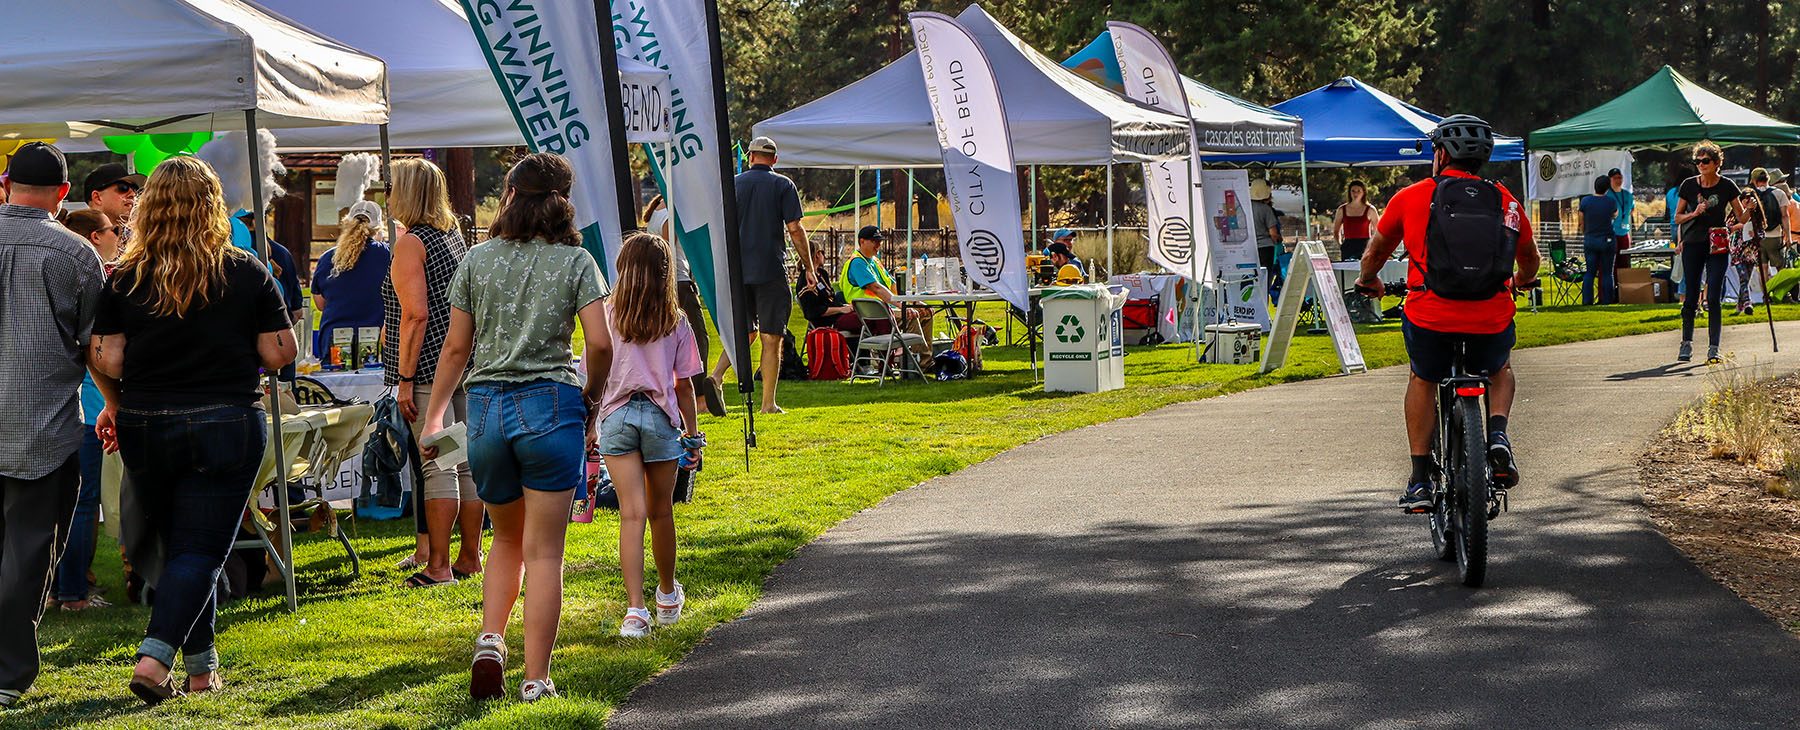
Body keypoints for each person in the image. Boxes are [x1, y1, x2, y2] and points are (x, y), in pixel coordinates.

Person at [89, 155, 297, 704]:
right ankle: (156, 659)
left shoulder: (127, 276)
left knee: (183, 547)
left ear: (149, 207)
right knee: (199, 551)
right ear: (214, 206)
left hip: (147, 423)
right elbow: (281, 352)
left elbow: (107, 358)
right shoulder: (246, 268)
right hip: (227, 419)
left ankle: (202, 669)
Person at [419, 152, 613, 703]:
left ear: (509, 196)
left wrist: (436, 415)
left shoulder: (476, 260)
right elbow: (600, 343)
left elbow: (456, 348)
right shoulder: (576, 262)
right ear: (563, 202)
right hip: (551, 406)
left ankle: (489, 639)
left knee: (503, 539)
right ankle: (535, 679)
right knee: (545, 551)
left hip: (483, 411)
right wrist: (592, 397)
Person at [1354, 115, 1539, 510]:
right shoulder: (1506, 200)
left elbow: (1375, 253)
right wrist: (1522, 281)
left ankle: (1420, 480)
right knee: (1500, 368)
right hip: (1490, 317)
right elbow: (1530, 259)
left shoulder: (1410, 197)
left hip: (1431, 316)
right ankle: (1498, 436)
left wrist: (1369, 280)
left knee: (1422, 377)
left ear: (1440, 154)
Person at [0, 142, 109, 710]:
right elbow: (97, 346)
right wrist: (113, 401)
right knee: (30, 548)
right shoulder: (77, 252)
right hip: (45, 424)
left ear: (5, 184)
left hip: (36, 420)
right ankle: (9, 671)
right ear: (64, 193)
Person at [593, 231, 704, 640]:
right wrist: (692, 435)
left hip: (617, 417)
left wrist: (591, 425)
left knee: (631, 515)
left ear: (623, 269)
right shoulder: (675, 320)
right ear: (664, 272)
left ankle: (635, 610)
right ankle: (667, 596)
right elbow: (685, 385)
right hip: (660, 419)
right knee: (661, 512)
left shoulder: (606, 314)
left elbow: (595, 375)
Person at [383, 158, 482, 587]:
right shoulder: (451, 237)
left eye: (391, 187)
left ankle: (439, 567)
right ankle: (469, 558)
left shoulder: (412, 243)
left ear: (407, 192)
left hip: (426, 370)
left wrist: (405, 379)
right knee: (463, 465)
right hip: (462, 361)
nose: (386, 195)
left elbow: (415, 315)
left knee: (438, 464)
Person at [708, 136, 818, 414]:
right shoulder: (783, 184)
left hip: (737, 271)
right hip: (770, 269)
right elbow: (794, 229)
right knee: (772, 337)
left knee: (744, 332)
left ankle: (717, 375)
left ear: (750, 156)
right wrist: (809, 267)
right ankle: (768, 403)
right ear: (775, 160)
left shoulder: (731, 184)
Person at [49, 209, 124, 613]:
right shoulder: (90, 276)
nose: (119, 236)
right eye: (114, 230)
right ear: (95, 237)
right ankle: (73, 594)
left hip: (57, 405)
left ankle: (56, 589)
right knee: (80, 503)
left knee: (56, 504)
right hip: (87, 406)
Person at [645, 195, 726, 416]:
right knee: (697, 339)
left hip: (663, 284)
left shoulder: (656, 211)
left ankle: (671, 395)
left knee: (670, 340)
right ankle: (699, 399)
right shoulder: (672, 213)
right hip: (677, 283)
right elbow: (667, 250)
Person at [1673, 141, 1748, 364]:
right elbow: (1677, 217)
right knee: (1691, 295)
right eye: (1698, 161)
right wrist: (1694, 213)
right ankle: (1686, 343)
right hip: (1693, 243)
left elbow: (1740, 217)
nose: (1701, 165)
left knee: (1714, 296)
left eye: (1705, 161)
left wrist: (1750, 210)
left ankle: (1713, 347)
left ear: (1717, 163)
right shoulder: (1688, 185)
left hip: (1718, 243)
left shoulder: (1727, 185)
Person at [311, 200, 391, 359]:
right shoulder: (389, 255)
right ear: (378, 228)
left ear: (347, 222)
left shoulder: (328, 258)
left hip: (334, 343)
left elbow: (320, 304)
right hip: (377, 343)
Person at [840, 225, 932, 347]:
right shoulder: (857, 263)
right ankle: (916, 363)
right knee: (911, 316)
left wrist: (915, 302)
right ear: (862, 241)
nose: (878, 245)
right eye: (874, 241)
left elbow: (894, 288)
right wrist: (902, 306)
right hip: (871, 314)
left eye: (880, 241)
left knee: (926, 313)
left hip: (885, 309)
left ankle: (926, 361)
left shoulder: (875, 261)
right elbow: (876, 288)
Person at [1578, 175, 1619, 305]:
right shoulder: (1610, 202)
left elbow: (1581, 221)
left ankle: (1587, 301)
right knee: (1607, 273)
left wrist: (1585, 233)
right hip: (1607, 239)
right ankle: (1607, 300)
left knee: (1590, 272)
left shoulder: (1585, 201)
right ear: (1607, 188)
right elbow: (1615, 214)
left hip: (1590, 239)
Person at [83, 162, 144, 242]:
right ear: (97, 197)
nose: (133, 194)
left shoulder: (141, 241)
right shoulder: (77, 241)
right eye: (123, 187)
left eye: (135, 188)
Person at [1750, 167, 1788, 283]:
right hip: (1775, 235)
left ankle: (1765, 295)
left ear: (1755, 181)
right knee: (1780, 267)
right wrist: (1788, 237)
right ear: (1768, 179)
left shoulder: (1751, 195)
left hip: (1757, 236)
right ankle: (1783, 293)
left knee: (1763, 268)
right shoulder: (1779, 193)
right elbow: (1785, 216)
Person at [1332, 180, 1380, 262]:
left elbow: (1378, 231)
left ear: (1363, 192)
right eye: (1353, 191)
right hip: (1348, 245)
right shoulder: (1341, 209)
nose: (1355, 194)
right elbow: (1336, 231)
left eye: (1358, 191)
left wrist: (1373, 246)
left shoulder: (1370, 209)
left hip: (1365, 246)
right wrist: (1340, 245)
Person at [1250, 178, 1284, 287]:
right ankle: (1264, 299)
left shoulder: (1243, 208)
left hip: (1248, 248)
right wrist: (1278, 239)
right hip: (1265, 249)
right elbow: (1273, 233)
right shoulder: (1266, 209)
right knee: (1264, 279)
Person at [1607, 167, 1634, 251]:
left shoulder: (1628, 195)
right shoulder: (1607, 195)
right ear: (1610, 179)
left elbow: (1632, 209)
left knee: (1625, 258)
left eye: (1620, 177)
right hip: (1611, 233)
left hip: (1624, 232)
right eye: (1615, 178)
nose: (1618, 180)